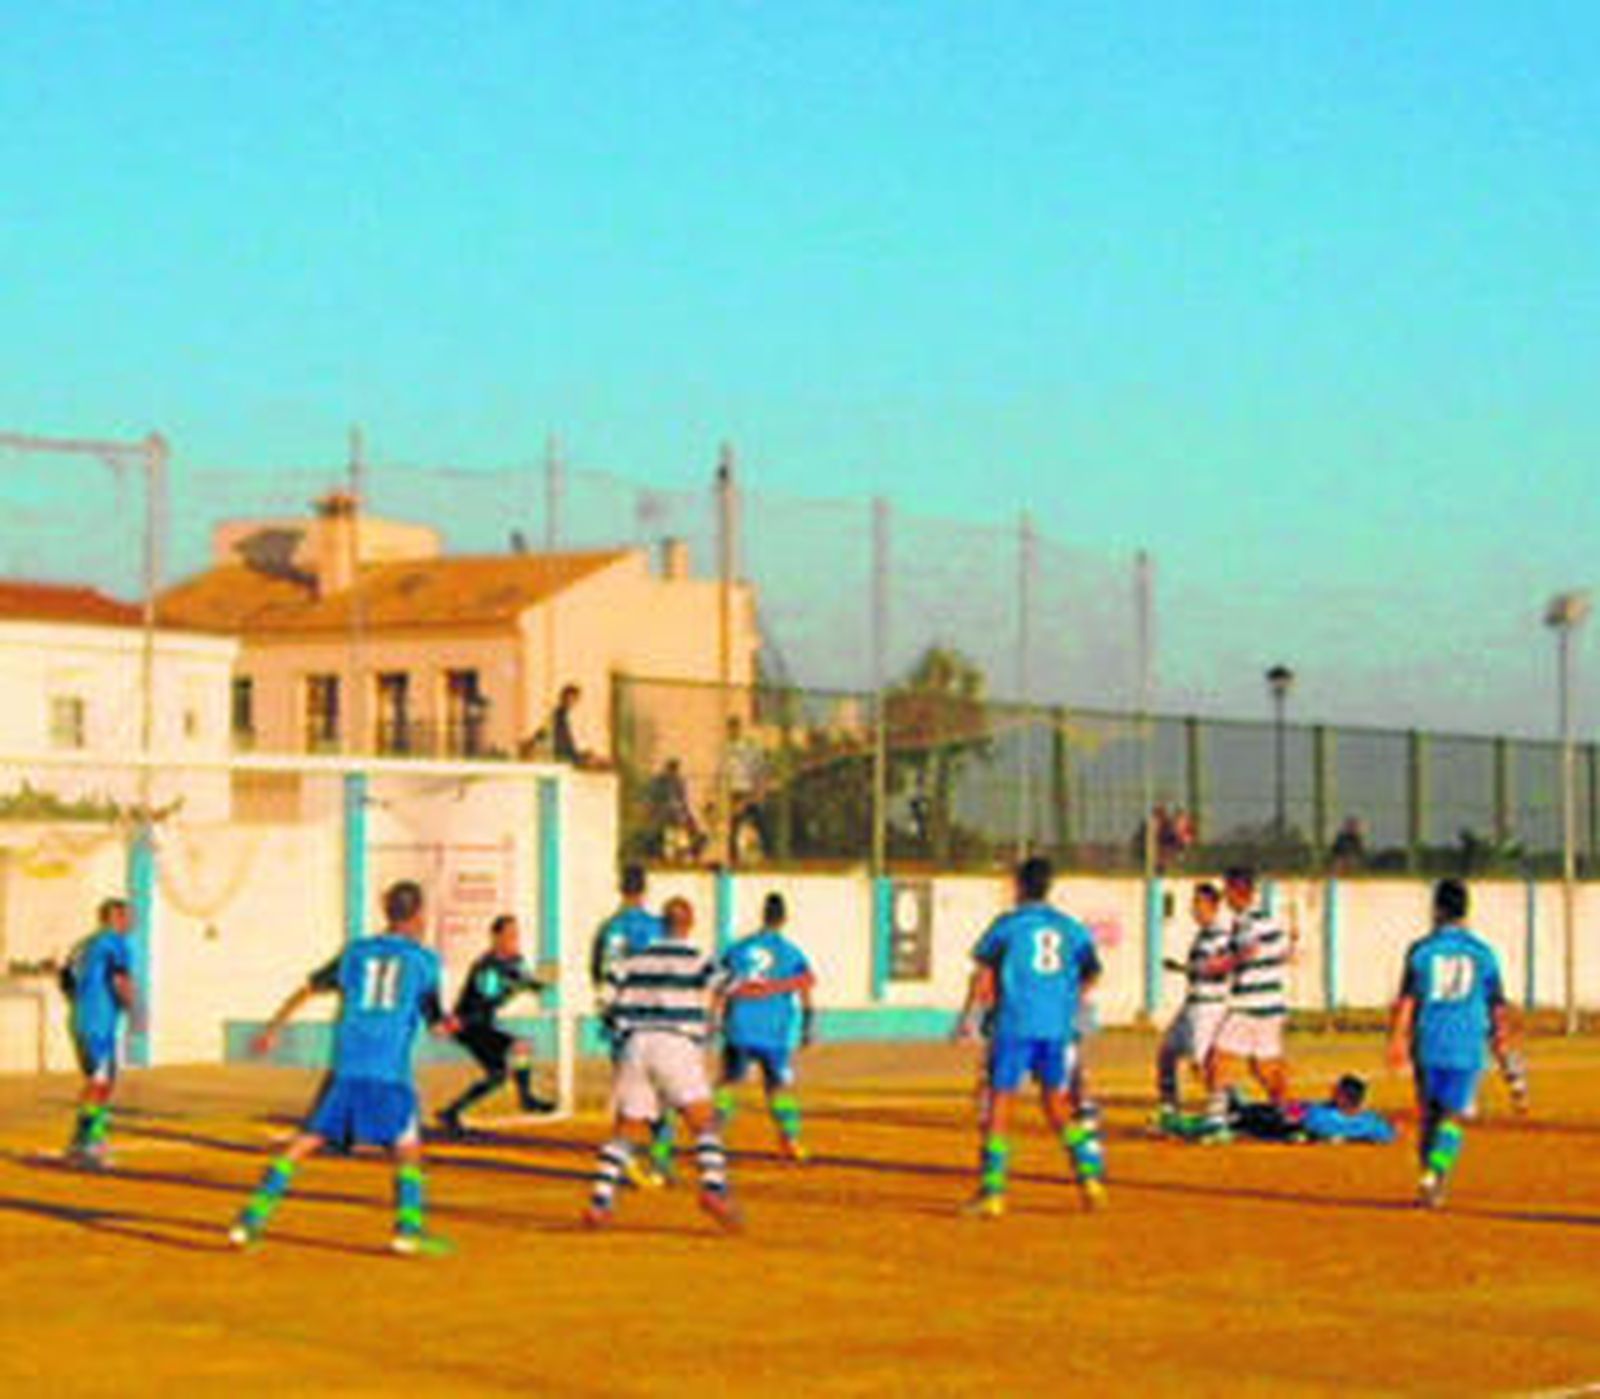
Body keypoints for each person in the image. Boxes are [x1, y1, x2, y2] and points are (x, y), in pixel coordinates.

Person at [229, 880, 455, 1256]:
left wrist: (273, 1028)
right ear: (418, 916)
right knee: (408, 1149)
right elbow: (435, 1022)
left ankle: (251, 1218)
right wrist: (453, 1027)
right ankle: (408, 1229)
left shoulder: (356, 953)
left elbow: (309, 987)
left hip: (348, 1063)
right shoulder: (424, 962)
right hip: (388, 1071)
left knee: (306, 1141)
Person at [956, 856, 1105, 1217]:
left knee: (1000, 1103)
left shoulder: (1007, 926)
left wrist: (971, 1018)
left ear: (1020, 886)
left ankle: (992, 1191)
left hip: (1015, 1024)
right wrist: (1067, 1000)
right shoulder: (1070, 928)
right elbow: (1092, 972)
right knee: (1056, 1103)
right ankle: (1089, 1178)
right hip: (1055, 1026)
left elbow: (985, 976)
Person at [581, 896, 740, 1231]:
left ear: (661, 922)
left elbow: (604, 997)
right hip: (675, 1043)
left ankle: (600, 1200)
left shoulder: (634, 960)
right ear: (690, 923)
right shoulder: (697, 958)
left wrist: (621, 1029)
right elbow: (731, 985)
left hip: (636, 1044)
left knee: (625, 1129)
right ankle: (714, 1189)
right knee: (705, 1123)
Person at [1387, 878, 1517, 1208]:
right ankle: (1436, 1175)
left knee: (1430, 1115)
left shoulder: (1421, 951)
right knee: (1453, 1118)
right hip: (1468, 1042)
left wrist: (1398, 1040)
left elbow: (1407, 1000)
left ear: (1437, 909)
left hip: (1429, 1040)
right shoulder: (1483, 953)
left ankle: (1428, 1178)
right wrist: (1502, 1039)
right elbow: (1497, 1003)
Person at [589, 864, 676, 1184]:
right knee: (661, 1091)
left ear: (620, 887)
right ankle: (661, 1160)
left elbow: (600, 974)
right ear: (645, 888)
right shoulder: (659, 927)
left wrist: (608, 1009)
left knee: (630, 1091)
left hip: (623, 1022)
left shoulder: (610, 928)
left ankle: (624, 1155)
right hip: (659, 1020)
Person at [715, 892, 816, 1162]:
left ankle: (713, 1137)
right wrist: (808, 1025)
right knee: (778, 1089)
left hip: (739, 1028)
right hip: (774, 1033)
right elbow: (805, 988)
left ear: (763, 915)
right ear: (783, 919)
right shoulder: (791, 952)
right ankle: (790, 1139)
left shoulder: (737, 949)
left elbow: (720, 986)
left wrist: (714, 1020)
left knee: (729, 1084)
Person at [435, 913, 553, 1138]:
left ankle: (451, 1112)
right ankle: (526, 1099)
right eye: (509, 935)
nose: (514, 940)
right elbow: (486, 998)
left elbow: (524, 981)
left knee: (500, 1072)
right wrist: (517, 985)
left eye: (515, 935)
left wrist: (538, 984)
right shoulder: (486, 967)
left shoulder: (513, 962)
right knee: (516, 1050)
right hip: (469, 1025)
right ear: (495, 937)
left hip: (482, 1024)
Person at [1201, 867, 1293, 1141]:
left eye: (1227, 889)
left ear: (1234, 891)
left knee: (1216, 1058)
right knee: (1265, 1068)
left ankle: (1216, 1120)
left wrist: (1220, 965)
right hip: (1272, 1004)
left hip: (1249, 1004)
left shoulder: (1247, 923)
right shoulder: (1269, 921)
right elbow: (1284, 952)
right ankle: (1286, 1114)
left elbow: (1247, 951)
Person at [58, 897, 137, 1169]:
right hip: (99, 1024)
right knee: (100, 1083)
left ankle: (90, 1139)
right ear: (112, 918)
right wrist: (133, 1008)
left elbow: (65, 978)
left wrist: (82, 1002)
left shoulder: (83, 945)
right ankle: (85, 1143)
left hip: (81, 1020)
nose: (130, 922)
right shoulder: (115, 943)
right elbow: (120, 978)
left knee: (100, 1080)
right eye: (126, 917)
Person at [1154, 882, 1232, 1132]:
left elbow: (1223, 968)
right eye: (1194, 903)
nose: (1194, 909)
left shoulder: (1221, 935)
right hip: (1192, 1004)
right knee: (1166, 1052)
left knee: (1203, 1064)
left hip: (1209, 1007)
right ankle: (1169, 1108)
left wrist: (1186, 969)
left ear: (1213, 905)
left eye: (1199, 903)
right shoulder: (1203, 935)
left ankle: (1219, 1112)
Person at [1163, 1074, 1397, 1144]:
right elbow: (1388, 1135)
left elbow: (1292, 1114)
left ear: (1343, 1097)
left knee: (1245, 1116)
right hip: (1298, 1129)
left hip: (1277, 1124)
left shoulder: (1320, 1114)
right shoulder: (1371, 1121)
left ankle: (1192, 1124)